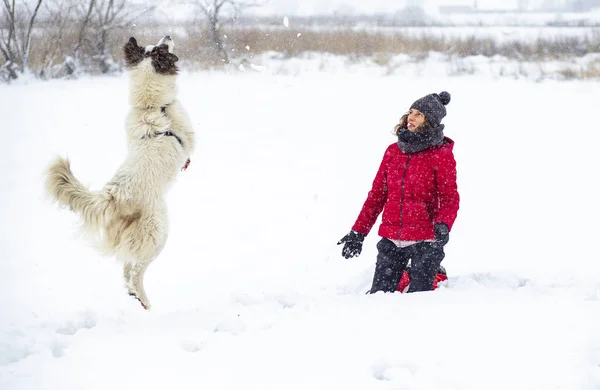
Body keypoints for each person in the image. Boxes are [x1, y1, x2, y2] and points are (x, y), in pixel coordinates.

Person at [337, 91, 459, 293]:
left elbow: (450, 198)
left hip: (426, 239)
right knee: (379, 296)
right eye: (411, 112)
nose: (411, 117)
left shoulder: (440, 155)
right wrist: (358, 232)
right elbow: (376, 196)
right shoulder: (393, 151)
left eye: (419, 114)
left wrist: (444, 224)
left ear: (430, 121)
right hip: (392, 237)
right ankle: (407, 274)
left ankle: (435, 273)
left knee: (420, 299)